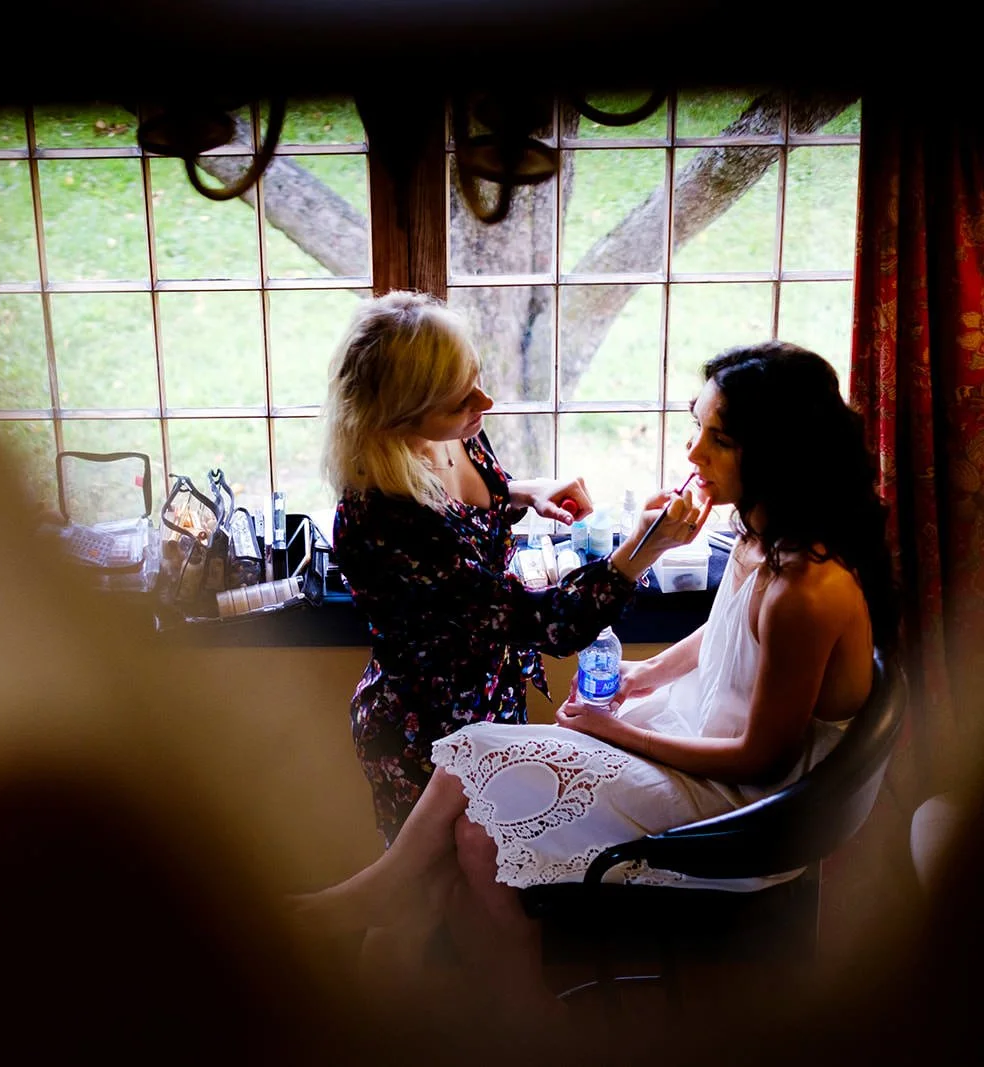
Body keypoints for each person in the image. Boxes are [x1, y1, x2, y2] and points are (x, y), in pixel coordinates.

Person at [296, 340, 898, 1017]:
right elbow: (723, 632)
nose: (694, 454)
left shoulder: (806, 590)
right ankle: (528, 1009)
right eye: (694, 426)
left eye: (719, 439)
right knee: (473, 832)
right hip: (706, 740)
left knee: (474, 752)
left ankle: (388, 890)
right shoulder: (763, 537)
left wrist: (618, 729)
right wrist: (644, 676)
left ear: (778, 451)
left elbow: (764, 758)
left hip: (744, 806)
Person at [322, 290, 708, 845]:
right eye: (460, 400)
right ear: (399, 417)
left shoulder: (456, 436)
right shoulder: (382, 516)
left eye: (474, 377)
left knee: (488, 882)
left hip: (493, 701)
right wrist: (646, 547)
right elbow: (548, 624)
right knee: (423, 903)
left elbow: (466, 512)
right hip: (424, 727)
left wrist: (526, 492)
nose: (486, 401)